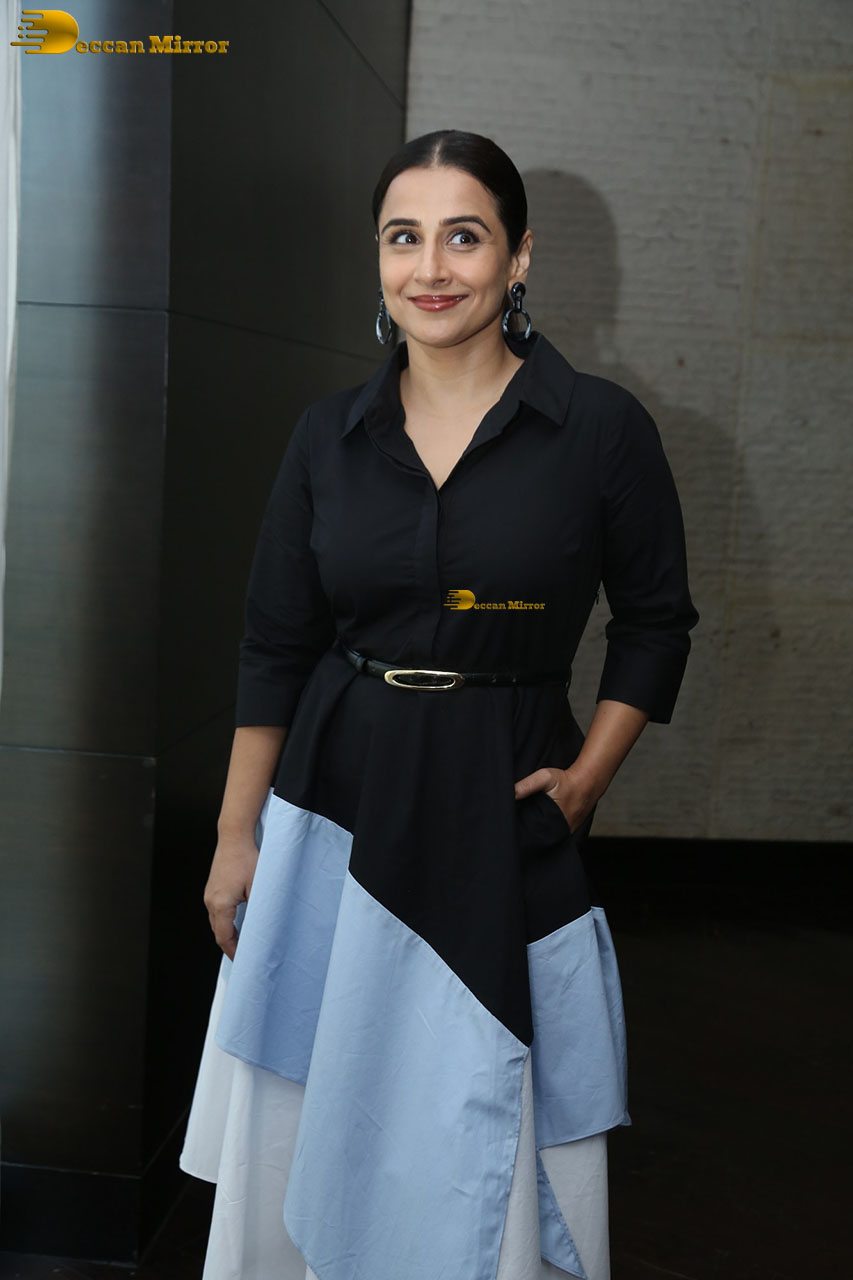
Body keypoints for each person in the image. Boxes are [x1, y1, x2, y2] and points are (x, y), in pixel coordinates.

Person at [179, 128, 700, 1280]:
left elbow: (655, 623)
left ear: (518, 257)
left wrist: (587, 778)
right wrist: (233, 832)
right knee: (320, 1092)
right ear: (377, 258)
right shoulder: (327, 436)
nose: (429, 267)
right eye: (401, 237)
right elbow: (275, 643)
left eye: (463, 236)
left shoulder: (599, 427)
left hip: (504, 804)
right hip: (333, 799)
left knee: (485, 1095)